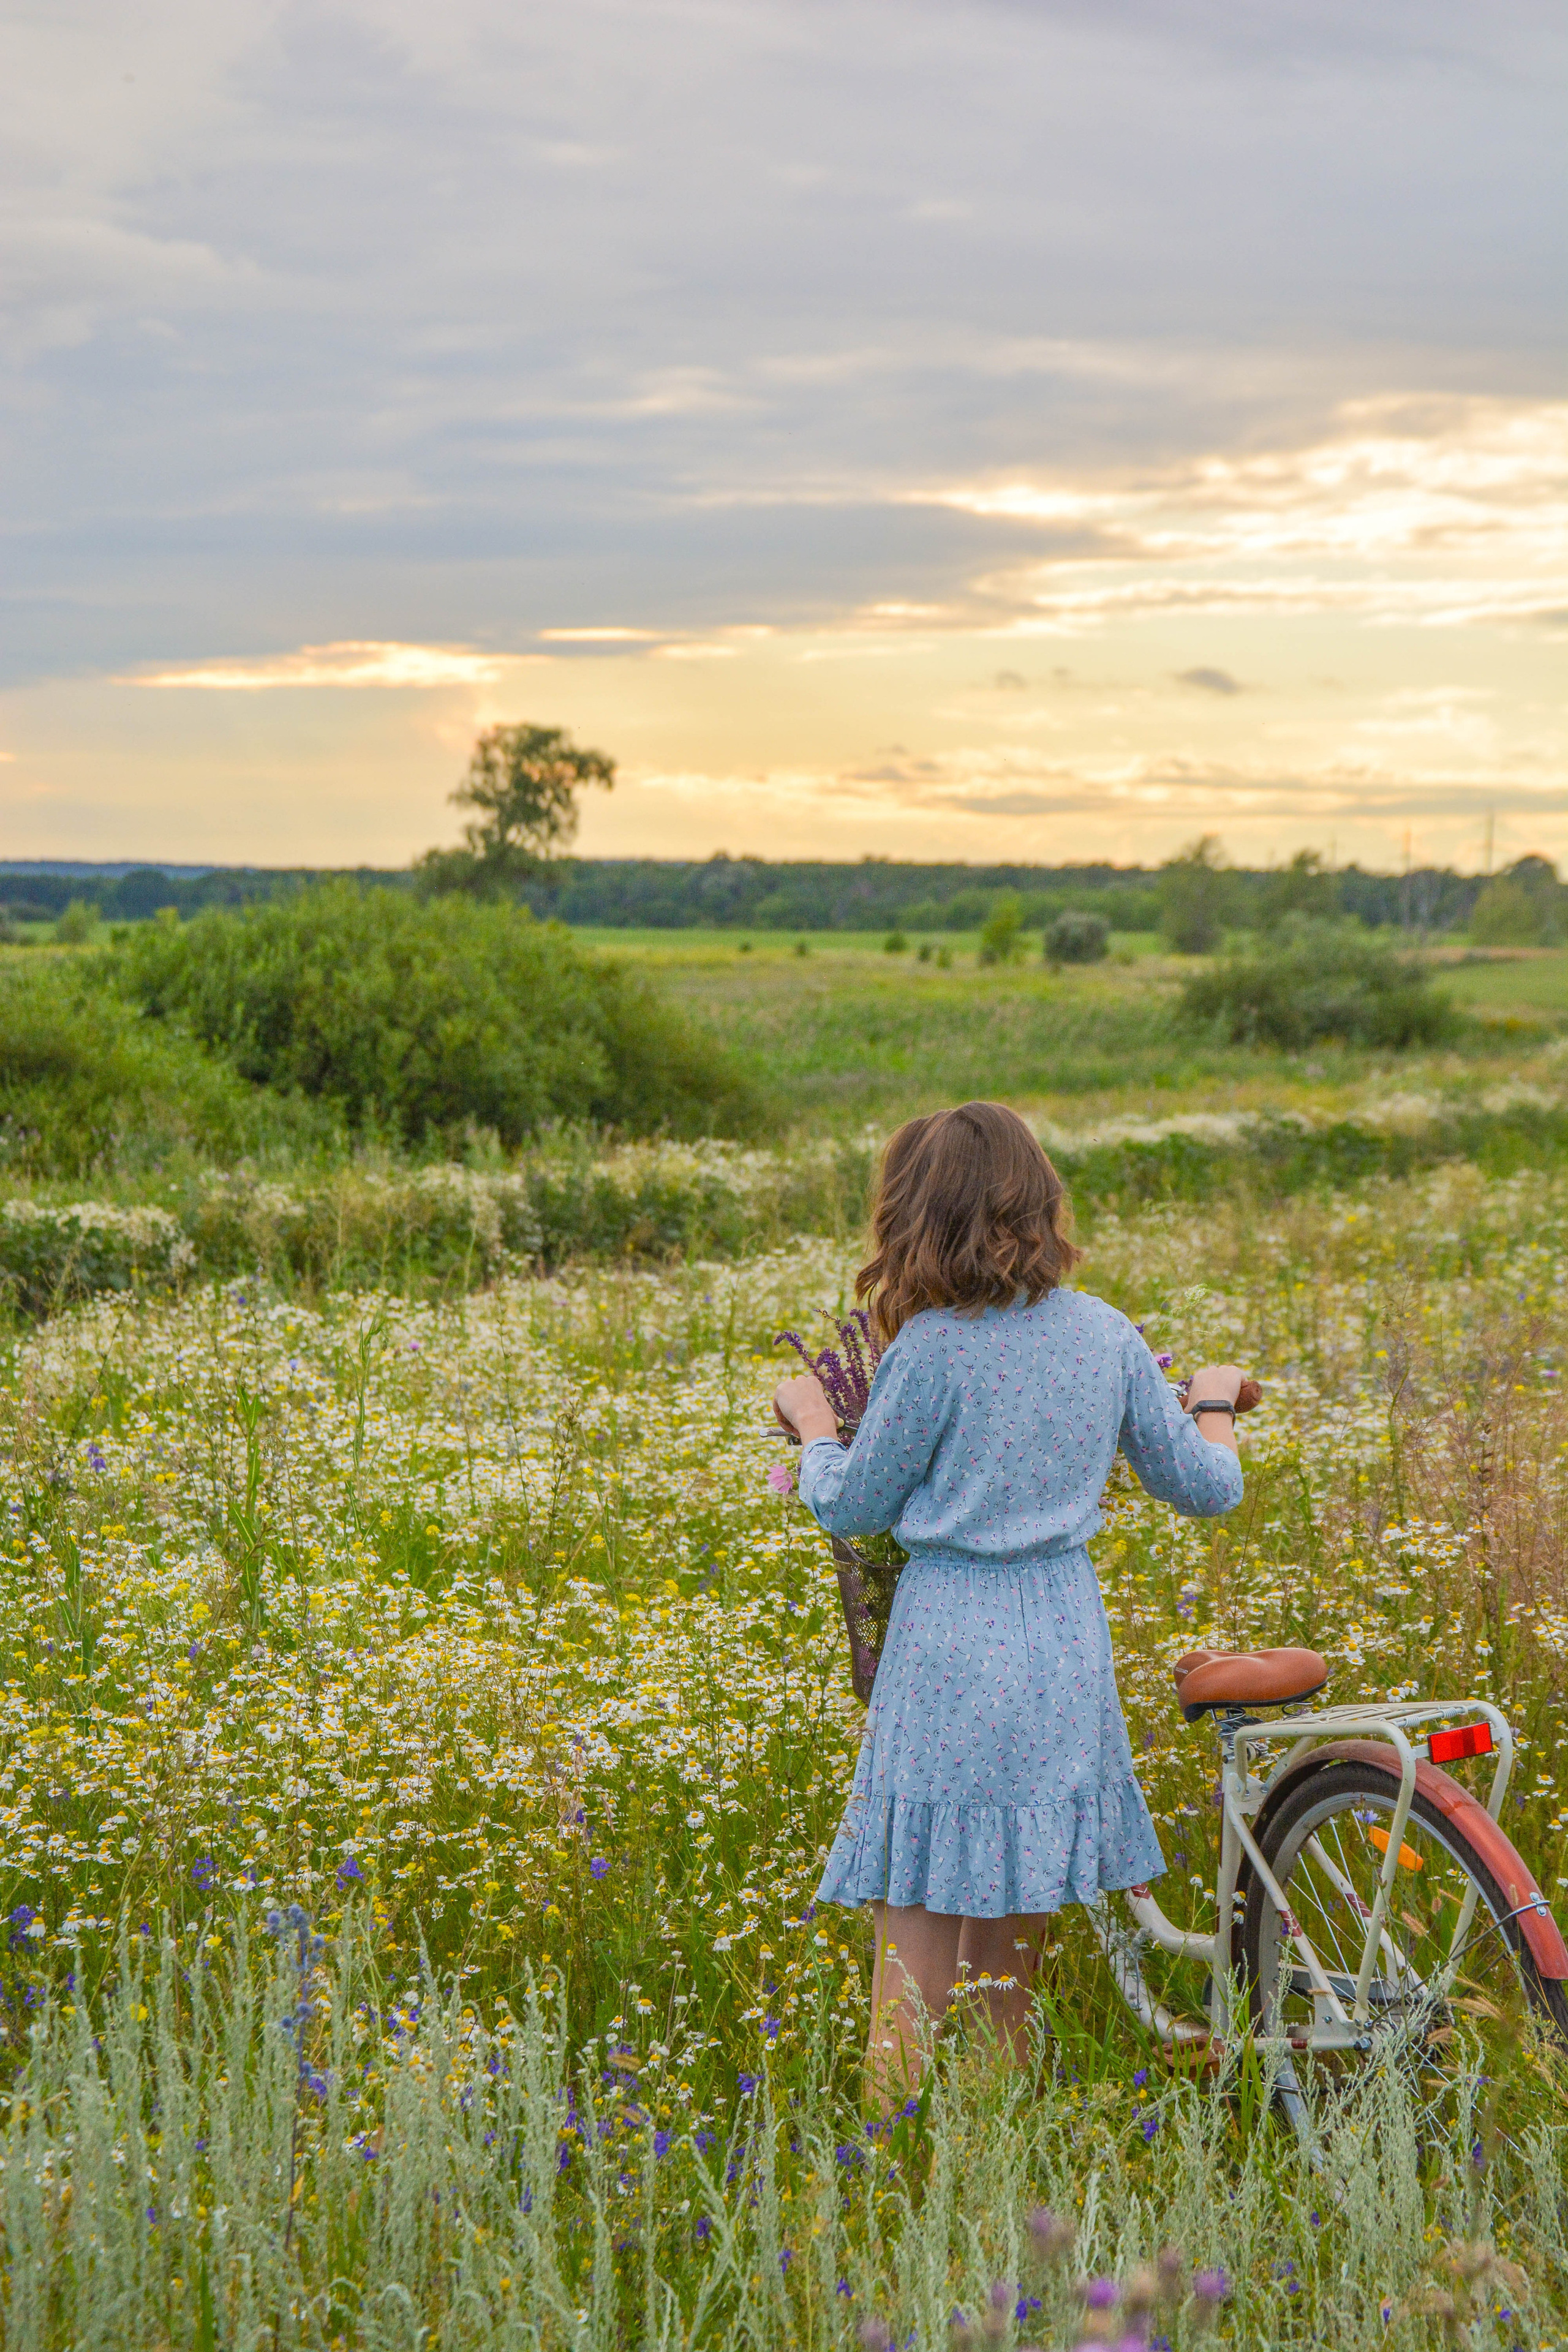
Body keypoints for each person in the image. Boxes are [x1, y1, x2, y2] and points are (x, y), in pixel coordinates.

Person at [772, 1101, 1245, 2100]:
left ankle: (891, 2194)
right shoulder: (1106, 1335)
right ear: (1037, 1203)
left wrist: (816, 1424)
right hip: (1062, 1647)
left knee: (910, 1980)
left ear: (917, 1215)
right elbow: (1209, 1488)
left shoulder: (933, 1350)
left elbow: (856, 1505)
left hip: (950, 1647)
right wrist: (1208, 1398)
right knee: (1005, 1985)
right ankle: (993, 2176)